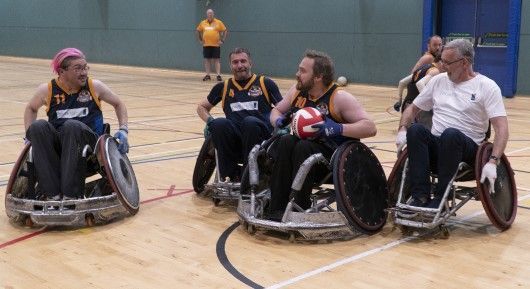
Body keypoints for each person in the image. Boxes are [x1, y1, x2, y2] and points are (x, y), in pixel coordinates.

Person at [395, 39, 509, 208]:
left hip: (468, 150)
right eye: (441, 60)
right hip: (439, 146)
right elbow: (412, 109)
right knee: (416, 130)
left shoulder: (487, 87)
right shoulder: (438, 81)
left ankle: (440, 198)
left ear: (464, 62)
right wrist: (403, 129)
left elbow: (502, 129)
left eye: (447, 62)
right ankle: (420, 196)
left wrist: (493, 161)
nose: (443, 65)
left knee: (450, 134)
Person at [268, 50, 377, 219]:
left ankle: (299, 210)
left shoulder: (339, 97)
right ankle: (276, 208)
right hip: (300, 156)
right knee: (285, 141)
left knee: (304, 147)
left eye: (303, 71)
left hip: (331, 161)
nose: (297, 74)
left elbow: (370, 128)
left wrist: (339, 128)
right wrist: (277, 122)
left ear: (318, 76)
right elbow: (276, 110)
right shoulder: (297, 91)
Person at [24, 48, 129, 200]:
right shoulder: (47, 90)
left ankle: (70, 195)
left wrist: (124, 129)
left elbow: (119, 104)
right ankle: (53, 195)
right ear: (61, 72)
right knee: (38, 127)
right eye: (78, 68)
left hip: (89, 147)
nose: (84, 72)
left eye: (85, 67)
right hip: (60, 145)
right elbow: (31, 108)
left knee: (71, 126)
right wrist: (28, 135)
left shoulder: (95, 86)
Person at [197, 47, 282, 182]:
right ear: (230, 65)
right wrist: (209, 121)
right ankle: (230, 174)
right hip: (235, 138)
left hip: (261, 138)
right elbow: (201, 107)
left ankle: (249, 174)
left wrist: (281, 125)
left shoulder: (265, 83)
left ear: (250, 63)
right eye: (235, 62)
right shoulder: (223, 87)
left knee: (250, 122)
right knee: (219, 123)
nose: (240, 65)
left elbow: (282, 109)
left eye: (243, 61)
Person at [395, 54, 445, 129]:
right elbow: (420, 84)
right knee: (425, 134)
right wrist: (428, 101)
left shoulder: (423, 67)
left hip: (407, 106)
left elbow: (402, 82)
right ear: (441, 62)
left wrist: (399, 101)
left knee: (409, 135)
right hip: (418, 108)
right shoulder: (435, 71)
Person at [196, 9, 227, 82]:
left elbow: (225, 30)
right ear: (207, 15)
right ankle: (208, 75)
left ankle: (218, 75)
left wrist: (222, 40)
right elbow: (198, 30)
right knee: (207, 60)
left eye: (211, 13)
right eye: (208, 13)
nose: (210, 14)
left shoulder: (218, 22)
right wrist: (200, 40)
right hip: (206, 45)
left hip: (216, 45)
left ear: (213, 14)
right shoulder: (203, 23)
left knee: (217, 60)